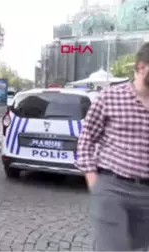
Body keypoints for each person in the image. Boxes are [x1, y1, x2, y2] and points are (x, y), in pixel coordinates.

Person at [76, 42, 149, 252]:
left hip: (146, 194)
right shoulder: (111, 96)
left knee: (137, 247)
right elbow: (86, 138)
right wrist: (92, 179)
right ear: (142, 67)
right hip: (112, 187)